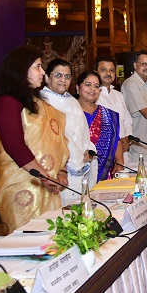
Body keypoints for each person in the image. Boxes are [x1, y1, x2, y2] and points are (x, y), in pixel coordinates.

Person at [0, 47, 69, 232]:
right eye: (37, 66)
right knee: (27, 241)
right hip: (21, 185)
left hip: (47, 182)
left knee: (52, 239)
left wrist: (61, 170)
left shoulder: (37, 103)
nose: (42, 72)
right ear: (21, 69)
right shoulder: (6, 102)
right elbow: (14, 146)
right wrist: (44, 176)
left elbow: (58, 140)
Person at [40, 58, 96, 205]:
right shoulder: (42, 102)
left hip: (80, 162)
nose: (63, 80)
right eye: (58, 75)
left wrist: (88, 150)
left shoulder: (72, 101)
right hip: (58, 169)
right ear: (47, 77)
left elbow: (83, 131)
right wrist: (61, 167)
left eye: (67, 76)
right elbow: (47, 140)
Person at [75, 71, 124, 181]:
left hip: (106, 176)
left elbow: (116, 140)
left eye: (96, 86)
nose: (92, 89)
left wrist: (120, 163)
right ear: (78, 88)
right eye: (88, 84)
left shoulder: (108, 114)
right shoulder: (70, 112)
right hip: (79, 173)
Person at [95, 56, 132, 161]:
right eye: (103, 70)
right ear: (95, 72)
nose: (108, 73)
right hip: (103, 153)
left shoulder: (118, 95)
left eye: (111, 70)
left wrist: (127, 138)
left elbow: (127, 120)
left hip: (123, 151)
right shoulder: (93, 96)